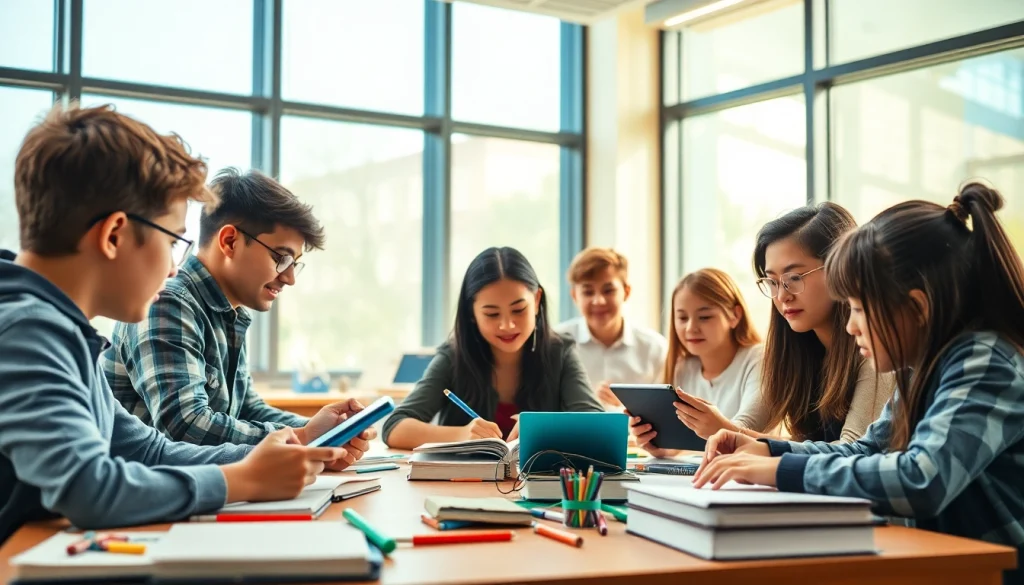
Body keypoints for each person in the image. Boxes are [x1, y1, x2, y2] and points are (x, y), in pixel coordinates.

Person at [0, 104, 345, 546]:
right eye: (172, 241)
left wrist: (271, 458)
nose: (171, 269)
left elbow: (148, 450)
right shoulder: (27, 330)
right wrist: (242, 482)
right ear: (115, 235)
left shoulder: (64, 334)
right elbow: (89, 489)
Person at [694, 183, 1024, 585]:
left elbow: (920, 479)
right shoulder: (922, 367)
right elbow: (868, 449)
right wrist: (766, 448)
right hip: (937, 564)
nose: (851, 326)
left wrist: (779, 470)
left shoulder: (984, 360)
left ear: (917, 307)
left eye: (858, 309)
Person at [100, 168, 373, 468]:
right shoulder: (168, 303)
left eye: (296, 263)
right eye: (281, 258)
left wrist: (324, 434)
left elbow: (247, 409)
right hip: (150, 499)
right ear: (230, 241)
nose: (291, 278)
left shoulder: (228, 311)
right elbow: (186, 425)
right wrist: (302, 438)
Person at [382, 247, 603, 449]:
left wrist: (545, 428)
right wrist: (463, 434)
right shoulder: (453, 356)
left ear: (536, 301)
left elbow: (600, 426)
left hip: (538, 488)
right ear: (472, 312)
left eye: (518, 310)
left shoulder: (560, 352)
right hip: (461, 487)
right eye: (491, 314)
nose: (507, 325)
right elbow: (394, 427)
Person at [751, 203, 893, 442]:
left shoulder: (875, 352)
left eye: (794, 278)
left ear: (839, 268)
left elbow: (853, 449)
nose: (782, 295)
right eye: (772, 282)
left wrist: (742, 439)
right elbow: (744, 423)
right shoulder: (795, 352)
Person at [629, 268, 765, 456]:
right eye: (682, 318)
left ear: (735, 315)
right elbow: (684, 446)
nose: (691, 328)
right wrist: (661, 447)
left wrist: (716, 426)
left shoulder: (759, 359)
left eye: (704, 317)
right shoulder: (682, 368)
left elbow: (742, 433)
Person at [554, 247, 667, 409]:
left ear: (626, 292)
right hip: (569, 435)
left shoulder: (655, 348)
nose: (598, 301)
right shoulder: (556, 342)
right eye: (588, 292)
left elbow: (663, 413)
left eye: (608, 291)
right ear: (574, 296)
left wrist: (627, 406)